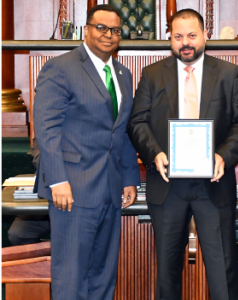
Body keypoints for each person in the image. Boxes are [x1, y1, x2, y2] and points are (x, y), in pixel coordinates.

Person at [128, 9, 238, 300]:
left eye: (192, 35)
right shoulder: (152, 74)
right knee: (166, 274)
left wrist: (224, 155)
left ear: (205, 36)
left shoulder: (228, 73)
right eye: (178, 36)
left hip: (214, 184)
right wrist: (154, 153)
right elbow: (137, 122)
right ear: (170, 39)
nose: (185, 42)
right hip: (168, 184)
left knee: (223, 271)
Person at [33, 5, 140, 300]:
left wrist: (130, 178)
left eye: (115, 30)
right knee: (71, 276)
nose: (108, 35)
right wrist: (57, 181)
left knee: (103, 274)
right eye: (101, 28)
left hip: (110, 189)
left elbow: (122, 131)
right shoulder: (61, 67)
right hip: (72, 189)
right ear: (86, 30)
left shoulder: (123, 73)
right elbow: (46, 129)